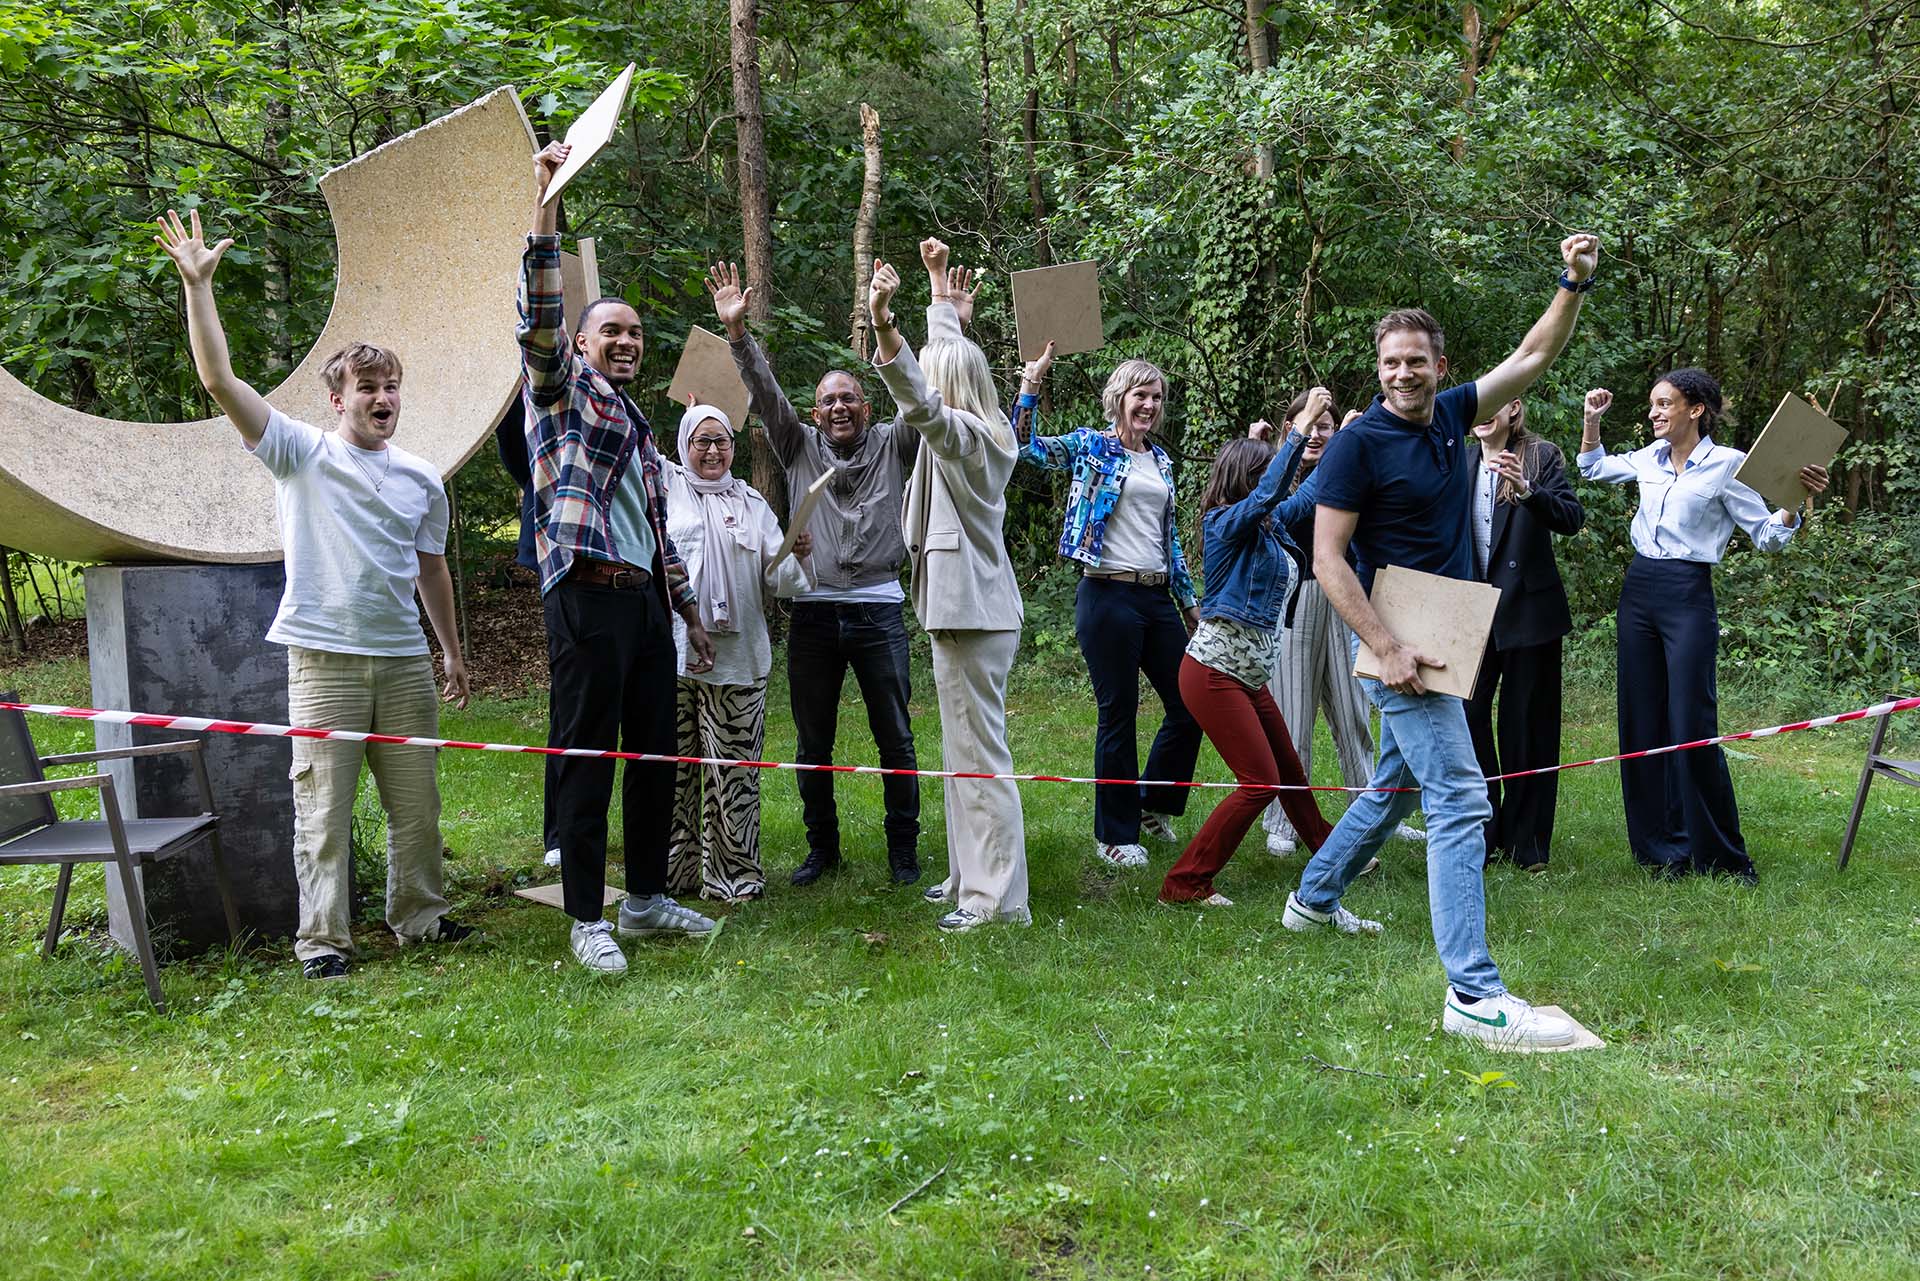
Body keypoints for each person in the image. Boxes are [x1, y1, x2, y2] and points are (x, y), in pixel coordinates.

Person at [1283, 233, 1603, 1051]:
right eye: (1390, 363)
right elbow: (1325, 558)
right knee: (1462, 798)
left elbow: (1533, 353)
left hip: (1451, 624)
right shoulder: (1359, 443)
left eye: (1415, 361)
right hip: (1404, 639)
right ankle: (1473, 992)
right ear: (1379, 367)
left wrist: (1571, 281)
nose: (1401, 374)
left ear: (1437, 363)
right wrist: (1386, 648)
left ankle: (1313, 898)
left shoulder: (1454, 414)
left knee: (1395, 788)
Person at [155, 208, 474, 981]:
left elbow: (431, 569)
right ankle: (324, 941)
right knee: (323, 814)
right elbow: (218, 381)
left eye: (392, 385)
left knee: (417, 810)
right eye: (368, 386)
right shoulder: (300, 452)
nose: (383, 396)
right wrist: (199, 287)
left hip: (401, 661)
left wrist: (452, 652)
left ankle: (420, 918)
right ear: (339, 399)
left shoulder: (421, 477)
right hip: (324, 659)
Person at [520, 141, 719, 974]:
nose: (627, 340)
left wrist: (685, 612)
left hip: (640, 602)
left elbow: (655, 527)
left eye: (636, 331)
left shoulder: (636, 425)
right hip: (586, 594)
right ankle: (585, 917)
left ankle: (642, 901)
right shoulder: (559, 387)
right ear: (582, 339)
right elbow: (538, 315)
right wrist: (547, 201)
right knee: (589, 751)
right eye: (611, 329)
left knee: (655, 752)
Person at [705, 261, 923, 887]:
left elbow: (921, 396)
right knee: (813, 744)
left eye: (848, 397)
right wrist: (738, 336)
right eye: (827, 400)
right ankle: (821, 849)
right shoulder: (796, 444)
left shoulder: (894, 442)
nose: (837, 408)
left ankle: (903, 853)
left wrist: (938, 320)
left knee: (897, 739)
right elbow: (766, 395)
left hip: (879, 610)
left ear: (867, 404)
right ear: (815, 410)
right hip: (814, 615)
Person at [1577, 374, 1828, 882]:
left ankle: (1719, 856)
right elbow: (1592, 468)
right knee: (1642, 720)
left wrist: (1793, 501)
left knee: (1691, 723)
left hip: (1688, 594)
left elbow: (1767, 536)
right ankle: (1660, 850)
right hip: (1639, 589)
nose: (1654, 413)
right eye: (1652, 404)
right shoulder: (1647, 458)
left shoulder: (1728, 464)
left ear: (1696, 410)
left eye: (1664, 404)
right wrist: (1591, 421)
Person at [869, 240, 1029, 931]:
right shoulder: (982, 424)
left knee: (979, 756)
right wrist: (938, 290)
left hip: (973, 613)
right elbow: (941, 378)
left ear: (950, 387)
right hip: (968, 610)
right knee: (961, 751)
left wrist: (884, 329)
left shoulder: (968, 435)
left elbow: (925, 404)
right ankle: (969, 873)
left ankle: (996, 901)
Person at [1011, 344, 1203, 869]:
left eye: (1157, 397)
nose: (1150, 405)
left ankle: (1153, 806)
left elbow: (1170, 540)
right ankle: (1114, 835)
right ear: (1119, 399)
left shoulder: (1161, 459)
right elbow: (1021, 449)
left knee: (1190, 703)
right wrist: (1030, 386)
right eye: (1141, 395)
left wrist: (1188, 602)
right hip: (1107, 595)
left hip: (1155, 594)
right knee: (1117, 713)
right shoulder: (1089, 447)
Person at [1158, 425, 1335, 905]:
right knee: (1259, 783)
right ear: (1247, 479)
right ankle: (1185, 882)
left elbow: (1310, 490)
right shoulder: (1223, 523)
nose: (1277, 488)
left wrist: (1348, 438)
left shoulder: (1271, 525)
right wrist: (1297, 436)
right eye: (1264, 476)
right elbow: (1268, 494)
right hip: (1214, 672)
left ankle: (1331, 852)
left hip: (1247, 676)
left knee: (1288, 772)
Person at [1260, 392, 1426, 858]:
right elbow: (1282, 522)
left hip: (1351, 598)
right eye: (1308, 424)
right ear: (1292, 426)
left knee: (1355, 709)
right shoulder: (1277, 476)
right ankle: (1283, 822)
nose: (1316, 433)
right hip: (1297, 598)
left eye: (1326, 426)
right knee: (1293, 712)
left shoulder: (1352, 466)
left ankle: (1374, 808)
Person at [662, 405, 815, 902]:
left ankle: (733, 876)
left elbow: (778, 575)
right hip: (673, 656)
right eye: (701, 441)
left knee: (734, 776)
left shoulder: (750, 502)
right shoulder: (665, 491)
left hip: (738, 660)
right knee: (675, 771)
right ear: (685, 444)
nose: (712, 451)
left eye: (722, 441)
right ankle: (675, 873)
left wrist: (797, 554)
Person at [1462, 397, 1584, 873]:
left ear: (1514, 409)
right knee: (1469, 720)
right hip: (1469, 612)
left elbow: (1572, 519)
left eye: (1496, 404)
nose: (1484, 413)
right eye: (1479, 406)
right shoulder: (1458, 457)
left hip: (1529, 611)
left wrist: (1529, 491)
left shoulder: (1541, 454)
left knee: (1525, 727)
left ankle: (1527, 842)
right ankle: (1484, 832)